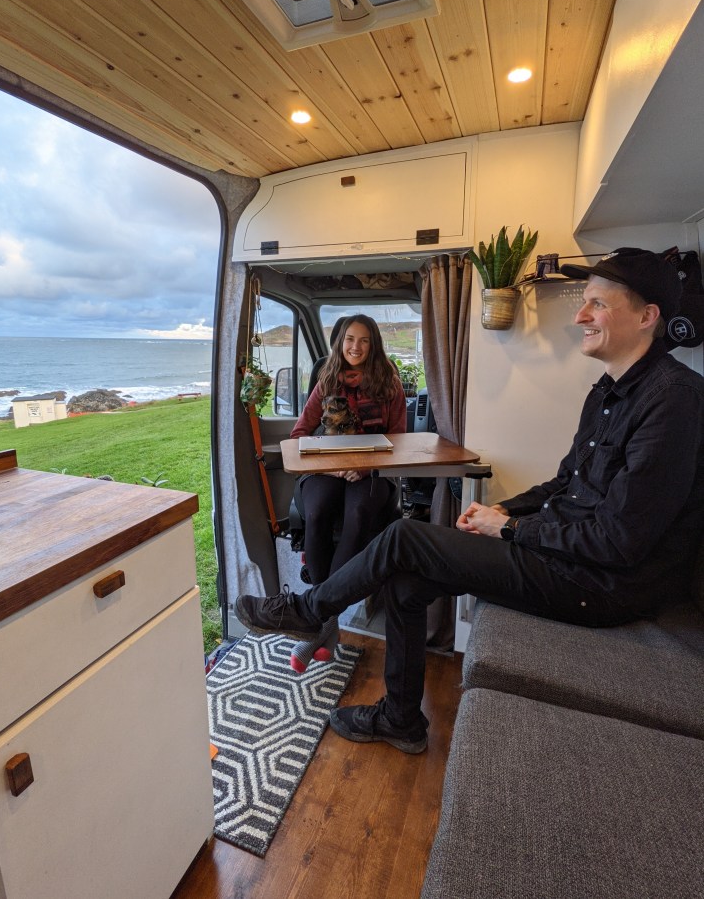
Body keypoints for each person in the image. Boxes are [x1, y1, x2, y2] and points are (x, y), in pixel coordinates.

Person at [237, 248, 704, 754]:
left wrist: (509, 530)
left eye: (598, 304)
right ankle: (400, 719)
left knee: (403, 535)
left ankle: (309, 608)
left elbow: (619, 541)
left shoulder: (674, 399)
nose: (580, 316)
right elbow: (564, 483)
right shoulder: (607, 392)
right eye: (584, 302)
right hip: (565, 556)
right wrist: (507, 509)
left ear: (647, 316)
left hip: (596, 584)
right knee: (406, 582)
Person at [288, 314, 406, 673]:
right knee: (318, 510)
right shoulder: (326, 380)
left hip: (372, 470)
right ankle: (328, 620)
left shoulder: (389, 383)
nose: (356, 346)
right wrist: (331, 468)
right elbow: (299, 435)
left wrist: (365, 468)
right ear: (340, 342)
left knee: (357, 513)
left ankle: (318, 619)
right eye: (350, 339)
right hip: (327, 468)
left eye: (364, 340)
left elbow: (399, 441)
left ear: (374, 344)